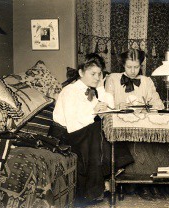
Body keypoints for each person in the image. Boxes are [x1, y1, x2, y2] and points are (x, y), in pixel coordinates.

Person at [53, 54, 133, 205]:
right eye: (93, 74)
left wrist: (108, 103)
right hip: (66, 134)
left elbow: (100, 112)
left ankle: (110, 170)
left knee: (108, 124)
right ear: (81, 72)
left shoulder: (90, 90)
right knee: (98, 129)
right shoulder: (70, 91)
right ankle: (108, 172)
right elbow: (72, 124)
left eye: (99, 74)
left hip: (83, 131)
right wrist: (95, 111)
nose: (97, 77)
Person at [105, 48, 169, 201]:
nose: (133, 71)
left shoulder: (146, 81)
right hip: (122, 129)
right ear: (123, 65)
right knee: (140, 147)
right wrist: (118, 106)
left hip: (143, 126)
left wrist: (148, 108)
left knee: (156, 146)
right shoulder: (113, 79)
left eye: (136, 67)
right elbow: (106, 105)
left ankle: (155, 184)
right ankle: (144, 185)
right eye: (129, 67)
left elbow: (158, 105)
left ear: (141, 65)